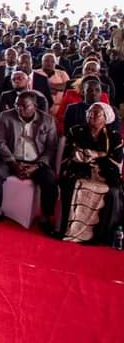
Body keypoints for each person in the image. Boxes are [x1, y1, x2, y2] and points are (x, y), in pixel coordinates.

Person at [0, 92, 57, 233]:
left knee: (50, 179)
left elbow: (51, 148)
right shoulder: (5, 116)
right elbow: (0, 142)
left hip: (36, 162)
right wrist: (13, 163)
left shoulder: (47, 120)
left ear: (34, 106)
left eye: (24, 106)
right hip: (11, 159)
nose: (19, 108)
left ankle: (45, 217)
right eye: (17, 105)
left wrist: (36, 165)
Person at [58, 103, 123, 244]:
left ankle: (102, 234)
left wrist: (97, 156)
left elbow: (116, 161)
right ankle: (70, 230)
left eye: (96, 114)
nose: (91, 116)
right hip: (80, 168)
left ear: (106, 118)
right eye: (89, 113)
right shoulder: (76, 131)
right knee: (72, 183)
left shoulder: (114, 137)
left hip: (105, 172)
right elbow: (68, 153)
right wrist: (79, 155)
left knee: (114, 192)